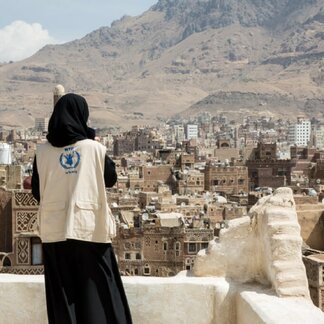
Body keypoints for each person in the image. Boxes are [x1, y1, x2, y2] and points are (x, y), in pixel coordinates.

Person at [31, 93, 132, 324]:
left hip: (54, 234)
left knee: (64, 298)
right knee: (99, 295)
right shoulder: (93, 149)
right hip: (90, 231)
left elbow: (38, 193)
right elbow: (110, 179)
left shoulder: (42, 153)